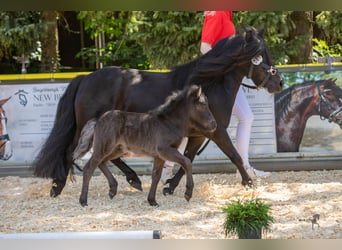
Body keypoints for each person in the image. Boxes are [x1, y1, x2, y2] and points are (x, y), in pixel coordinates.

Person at [161, 11, 270, 185]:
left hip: (227, 77)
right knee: (191, 126)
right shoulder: (217, 12)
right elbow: (205, 47)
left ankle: (244, 167)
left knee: (246, 117)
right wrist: (221, 69)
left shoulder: (225, 13)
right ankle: (166, 168)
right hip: (217, 77)